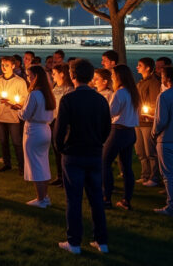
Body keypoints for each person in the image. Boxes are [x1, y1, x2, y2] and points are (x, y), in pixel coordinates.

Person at [54, 58, 111, 255]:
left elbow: (59, 129)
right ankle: (101, 241)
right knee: (96, 198)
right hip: (94, 153)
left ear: (73, 75)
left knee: (74, 199)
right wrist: (98, 142)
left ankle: (74, 242)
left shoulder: (68, 100)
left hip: (73, 154)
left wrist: (61, 147)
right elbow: (106, 128)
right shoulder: (101, 100)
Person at [103, 64, 139, 210]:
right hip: (130, 132)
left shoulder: (120, 93)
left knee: (104, 162)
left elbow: (111, 112)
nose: (111, 78)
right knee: (126, 166)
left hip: (118, 131)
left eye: (112, 75)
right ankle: (126, 199)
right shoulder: (133, 92)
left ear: (118, 77)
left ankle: (106, 197)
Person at [19, 66, 56, 208]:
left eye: (29, 76)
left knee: (36, 166)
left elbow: (25, 114)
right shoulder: (48, 94)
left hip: (33, 130)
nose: (28, 78)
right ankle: (44, 196)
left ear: (35, 77)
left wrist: (19, 110)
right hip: (45, 129)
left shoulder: (34, 94)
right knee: (43, 164)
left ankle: (40, 199)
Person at [0, 56, 28, 175]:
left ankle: (22, 166)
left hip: (13, 117)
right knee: (3, 141)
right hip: (0, 116)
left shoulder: (20, 81)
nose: (3, 67)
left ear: (13, 66)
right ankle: (7, 164)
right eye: (2, 65)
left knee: (17, 142)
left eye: (6, 65)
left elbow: (24, 98)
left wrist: (15, 103)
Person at [135, 57, 162, 187]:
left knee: (150, 151)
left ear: (147, 68)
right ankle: (145, 175)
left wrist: (146, 112)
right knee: (140, 150)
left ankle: (154, 177)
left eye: (140, 65)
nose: (137, 67)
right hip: (138, 121)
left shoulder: (153, 83)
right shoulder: (140, 82)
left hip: (147, 123)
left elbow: (154, 102)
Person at [152, 65, 173, 216]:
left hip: (166, 140)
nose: (161, 79)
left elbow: (161, 120)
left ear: (168, 79)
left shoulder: (164, 96)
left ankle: (171, 206)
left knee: (168, 174)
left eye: (163, 77)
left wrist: (154, 133)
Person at [49, 63, 74, 187]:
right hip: (54, 121)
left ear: (62, 74)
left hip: (64, 123)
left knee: (64, 150)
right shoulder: (55, 87)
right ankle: (59, 176)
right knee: (56, 149)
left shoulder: (69, 89)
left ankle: (66, 177)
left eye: (54, 73)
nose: (52, 76)